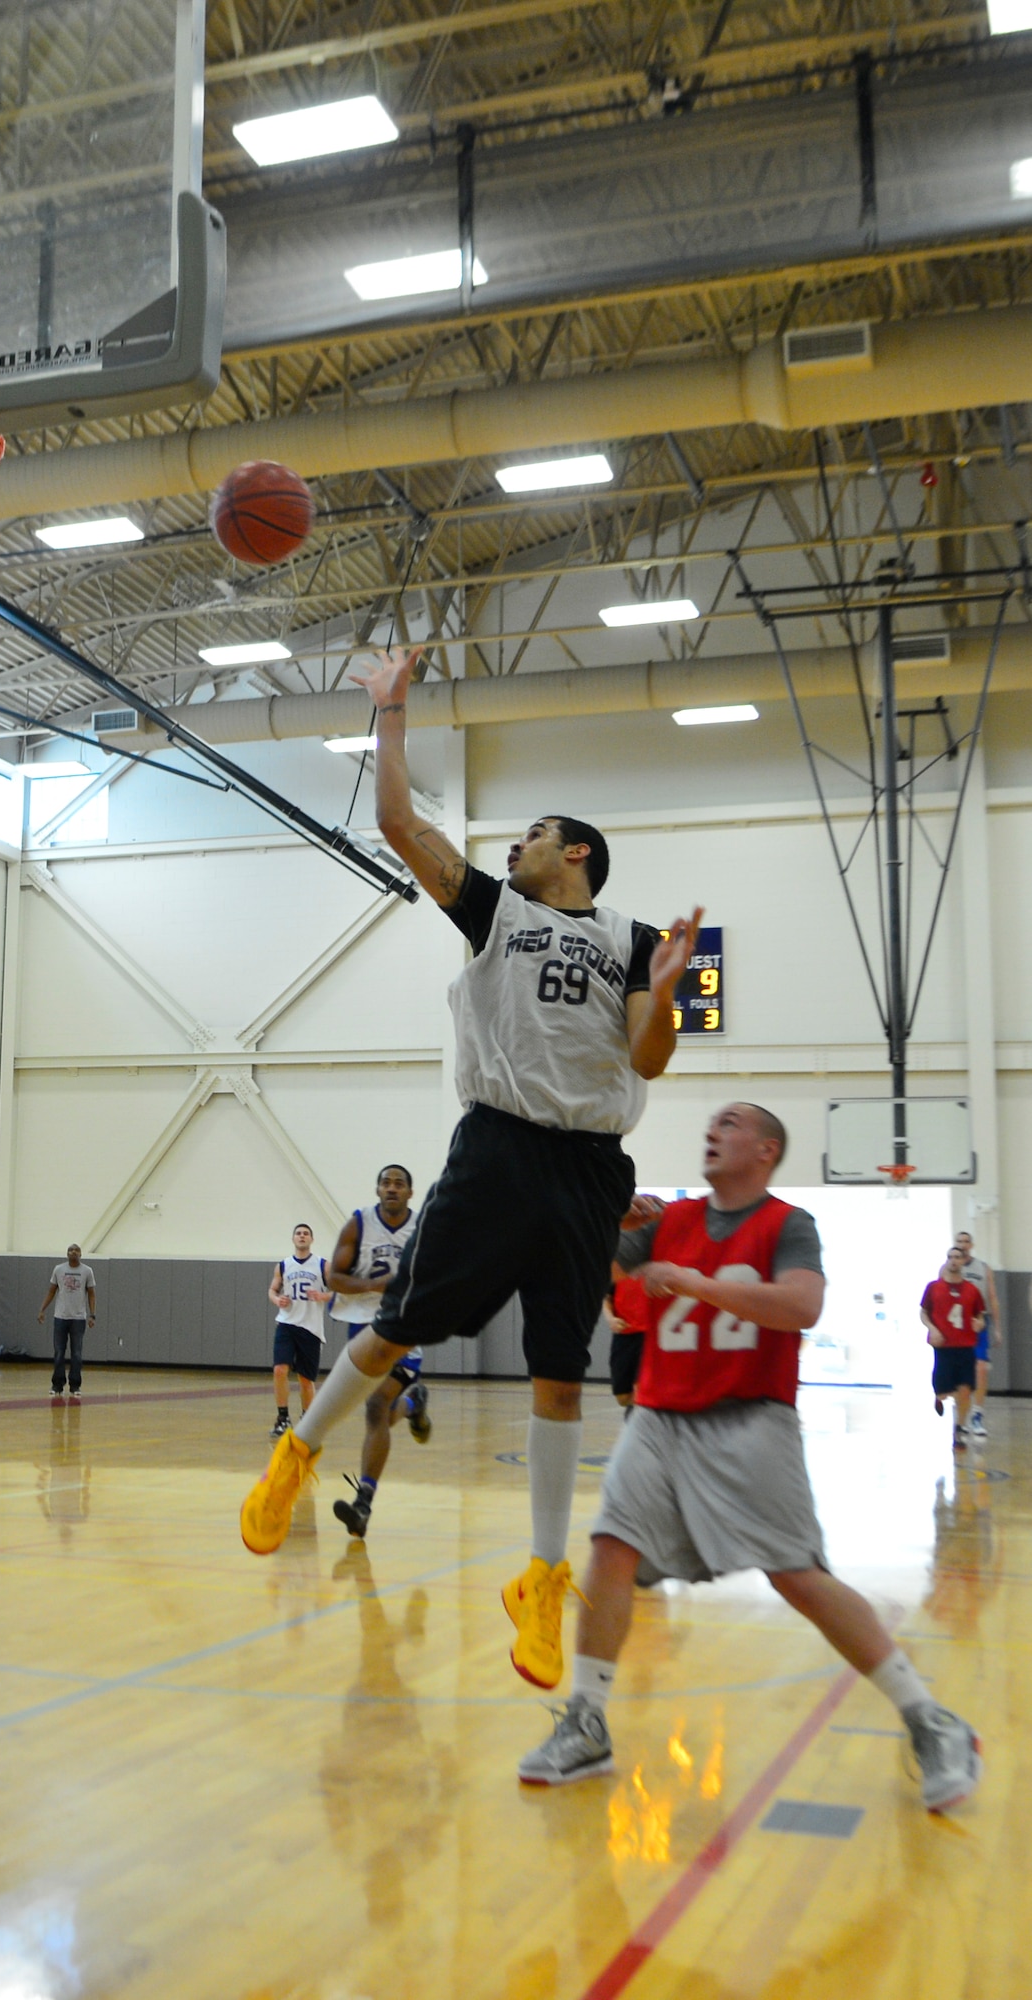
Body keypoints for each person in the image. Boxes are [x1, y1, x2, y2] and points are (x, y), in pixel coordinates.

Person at [240, 645, 701, 1698]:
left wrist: (667, 987)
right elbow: (402, 825)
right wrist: (390, 710)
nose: (516, 842)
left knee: (555, 1368)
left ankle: (541, 1577)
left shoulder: (634, 939)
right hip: (497, 1146)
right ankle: (298, 1455)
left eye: (534, 832)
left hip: (589, 1165)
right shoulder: (499, 909)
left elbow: (645, 1058)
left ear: (574, 850)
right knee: (399, 1321)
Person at [519, 1101, 982, 1814]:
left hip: (749, 1418)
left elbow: (800, 1309)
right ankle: (586, 1720)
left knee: (797, 1576)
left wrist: (697, 1284)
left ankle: (930, 1717)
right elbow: (586, 1268)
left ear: (766, 1149)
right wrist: (610, 1220)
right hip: (658, 1416)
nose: (712, 1130)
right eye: (710, 1124)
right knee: (610, 1548)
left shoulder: (788, 1225)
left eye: (730, 1124)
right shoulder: (667, 1222)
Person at [327, 1167, 429, 1542]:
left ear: (410, 1192)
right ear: (377, 1189)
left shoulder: (423, 1228)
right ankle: (414, 1403)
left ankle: (363, 1504)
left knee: (374, 1410)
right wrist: (372, 1285)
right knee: (381, 1414)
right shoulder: (358, 1225)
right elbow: (333, 1278)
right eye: (386, 1182)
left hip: (404, 1327)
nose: (391, 1188)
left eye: (399, 1183)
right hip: (362, 1327)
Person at [268, 1224, 332, 1438]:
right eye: (298, 1233)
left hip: (310, 1328)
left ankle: (307, 1419)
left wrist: (323, 1296)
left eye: (306, 1233)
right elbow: (272, 1289)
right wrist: (277, 1299)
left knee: (306, 1380)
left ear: (311, 1239)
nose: (302, 1236)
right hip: (286, 1323)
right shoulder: (283, 1265)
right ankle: (282, 1417)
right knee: (279, 1370)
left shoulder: (323, 1265)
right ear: (293, 1238)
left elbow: (338, 1291)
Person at [922, 1248, 986, 1452]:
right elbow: (924, 1313)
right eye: (950, 1257)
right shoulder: (934, 1288)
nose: (953, 1261)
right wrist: (933, 1329)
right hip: (944, 1346)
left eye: (957, 1257)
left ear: (963, 1262)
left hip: (966, 1346)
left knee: (965, 1389)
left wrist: (979, 1323)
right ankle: (938, 1397)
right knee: (943, 1391)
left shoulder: (972, 1290)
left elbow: (981, 1317)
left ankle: (959, 1429)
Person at [952, 1231, 1000, 1438]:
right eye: (958, 1242)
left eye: (965, 1242)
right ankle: (961, 1418)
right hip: (957, 1324)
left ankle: (977, 1415)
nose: (962, 1245)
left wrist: (997, 1327)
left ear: (971, 1245)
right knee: (960, 1374)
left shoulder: (983, 1268)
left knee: (981, 1367)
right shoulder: (949, 1268)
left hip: (980, 1322)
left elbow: (992, 1297)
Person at [38, 1244, 96, 1397]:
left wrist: (92, 1315)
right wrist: (42, 1309)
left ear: (81, 1254)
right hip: (60, 1317)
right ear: (67, 1254)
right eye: (70, 1250)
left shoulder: (87, 1271)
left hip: (78, 1318)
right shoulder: (58, 1269)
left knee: (76, 1353)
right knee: (59, 1352)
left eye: (76, 1250)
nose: (73, 1252)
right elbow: (51, 1291)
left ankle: (75, 1385)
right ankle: (57, 1385)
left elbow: (91, 1294)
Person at [607, 1272, 655, 1412]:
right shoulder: (619, 1270)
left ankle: (639, 1421)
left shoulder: (654, 1268)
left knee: (642, 1386)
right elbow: (607, 1299)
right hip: (623, 1336)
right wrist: (611, 1319)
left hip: (648, 1336)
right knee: (622, 1397)